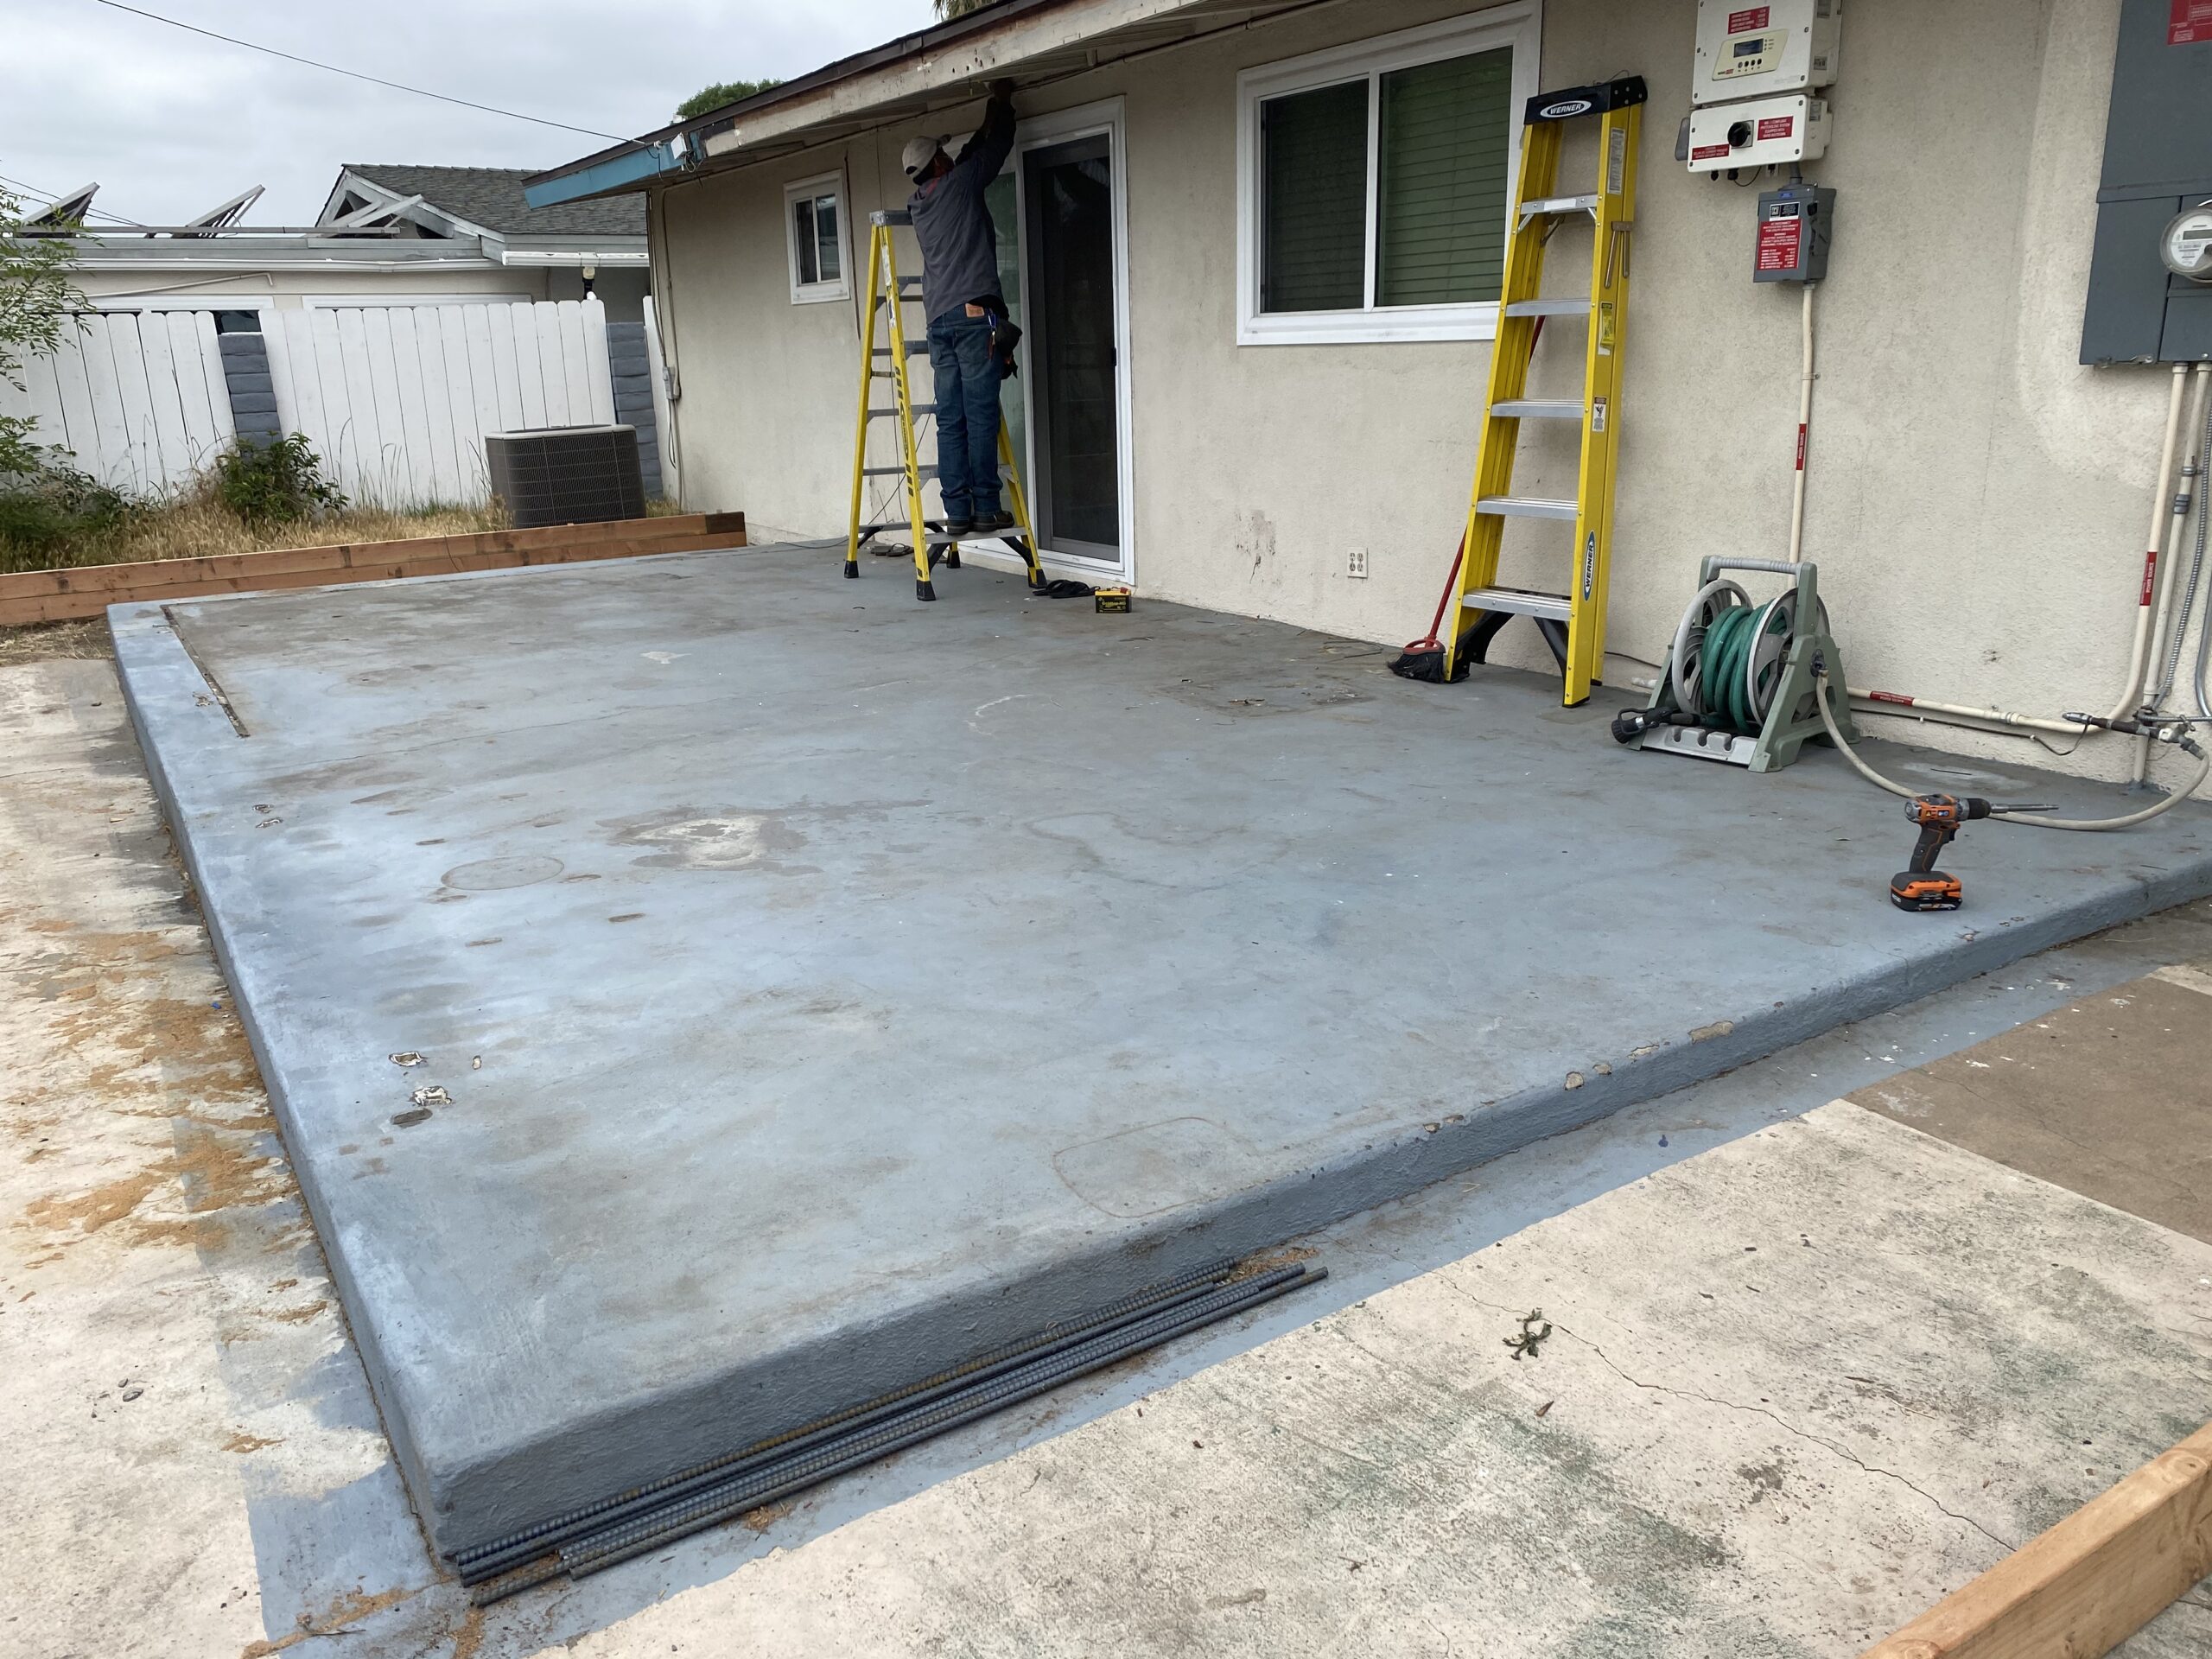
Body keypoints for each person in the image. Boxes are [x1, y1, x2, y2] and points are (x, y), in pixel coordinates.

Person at [902, 80, 1019, 536]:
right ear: (936, 162)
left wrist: (983, 120)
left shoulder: (918, 203)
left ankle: (958, 513)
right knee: (981, 413)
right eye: (943, 155)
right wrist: (1003, 106)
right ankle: (987, 507)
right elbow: (991, 153)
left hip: (939, 321)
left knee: (950, 419)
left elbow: (967, 157)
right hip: (972, 318)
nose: (950, 159)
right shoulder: (960, 182)